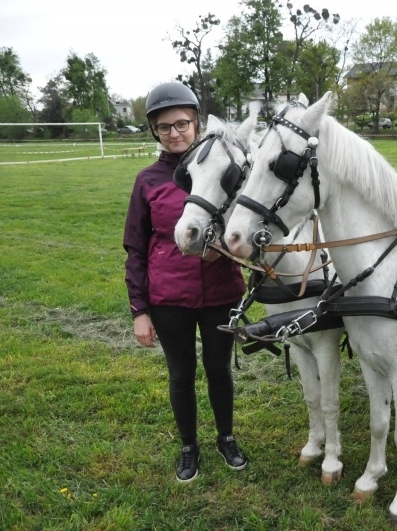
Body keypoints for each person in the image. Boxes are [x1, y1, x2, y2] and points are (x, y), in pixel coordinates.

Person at [123, 82, 248, 483]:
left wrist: (224, 252)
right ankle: (188, 446)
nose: (175, 133)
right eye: (164, 127)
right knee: (181, 374)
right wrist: (140, 311)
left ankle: (226, 437)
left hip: (220, 293)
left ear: (196, 123)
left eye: (182, 124)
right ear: (155, 132)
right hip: (168, 297)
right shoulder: (148, 180)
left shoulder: (223, 170)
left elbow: (245, 231)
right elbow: (136, 249)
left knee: (218, 370)